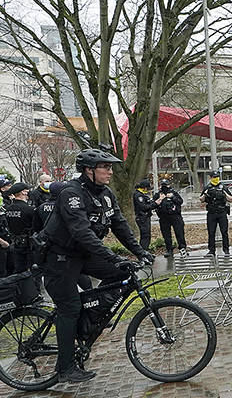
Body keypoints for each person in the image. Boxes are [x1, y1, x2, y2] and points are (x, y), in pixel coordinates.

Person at [34, 146, 152, 384]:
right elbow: (82, 232)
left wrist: (140, 251)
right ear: (89, 170)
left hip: (82, 255)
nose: (110, 171)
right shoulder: (72, 194)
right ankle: (65, 368)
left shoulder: (105, 192)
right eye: (105, 167)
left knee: (121, 274)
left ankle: (90, 317)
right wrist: (113, 256)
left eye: (110, 167)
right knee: (69, 308)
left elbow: (120, 225)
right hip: (60, 258)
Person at [2, 182, 35, 275]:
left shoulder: (8, 209)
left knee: (19, 270)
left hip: (15, 243)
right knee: (34, 270)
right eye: (27, 190)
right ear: (23, 192)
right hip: (29, 244)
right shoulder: (29, 209)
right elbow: (36, 226)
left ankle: (21, 288)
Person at [200, 173, 232, 255]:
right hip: (211, 213)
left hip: (222, 212)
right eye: (214, 177)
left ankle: (226, 250)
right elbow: (201, 199)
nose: (216, 178)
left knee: (224, 232)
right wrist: (205, 193)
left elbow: (231, 199)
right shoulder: (208, 187)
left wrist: (225, 193)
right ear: (210, 178)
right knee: (211, 233)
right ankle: (211, 250)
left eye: (217, 177)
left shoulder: (223, 187)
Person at [155, 179, 188, 257]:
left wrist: (172, 197)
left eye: (166, 185)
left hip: (175, 216)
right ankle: (169, 249)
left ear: (169, 185)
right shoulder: (158, 194)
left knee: (179, 233)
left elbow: (180, 201)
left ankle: (182, 248)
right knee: (166, 235)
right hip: (164, 217)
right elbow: (154, 204)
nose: (164, 187)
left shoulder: (174, 193)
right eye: (163, 185)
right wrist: (160, 199)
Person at [132, 178, 157, 251]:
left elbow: (147, 203)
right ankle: (143, 252)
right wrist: (155, 204)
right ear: (144, 188)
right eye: (147, 188)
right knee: (145, 236)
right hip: (142, 217)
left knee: (147, 235)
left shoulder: (142, 194)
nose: (148, 190)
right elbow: (144, 207)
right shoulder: (138, 195)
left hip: (145, 217)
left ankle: (145, 251)